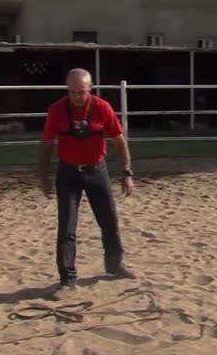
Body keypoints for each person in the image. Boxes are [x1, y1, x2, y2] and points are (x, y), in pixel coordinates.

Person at [38, 68, 136, 289]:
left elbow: (120, 141)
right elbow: (46, 144)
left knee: (109, 221)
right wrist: (43, 175)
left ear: (90, 89)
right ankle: (67, 278)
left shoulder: (102, 108)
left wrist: (127, 173)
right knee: (67, 227)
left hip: (96, 172)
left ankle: (114, 265)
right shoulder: (57, 110)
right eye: (72, 92)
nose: (77, 97)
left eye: (81, 92)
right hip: (68, 173)